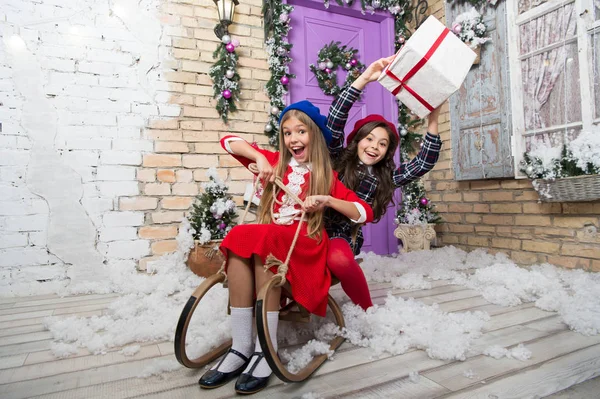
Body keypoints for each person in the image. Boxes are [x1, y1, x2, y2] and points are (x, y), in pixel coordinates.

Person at [199, 100, 374, 395]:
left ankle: (266, 349)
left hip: (304, 246)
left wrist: (328, 200)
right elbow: (228, 141)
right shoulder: (276, 162)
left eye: (301, 131)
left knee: (264, 238)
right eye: (287, 133)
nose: (293, 139)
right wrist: (260, 158)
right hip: (276, 241)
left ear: (314, 136)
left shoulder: (325, 175)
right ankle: (242, 347)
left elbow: (363, 211)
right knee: (244, 235)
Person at [325, 57, 443, 310]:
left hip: (342, 237)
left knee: (340, 260)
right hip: (309, 227)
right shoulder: (335, 159)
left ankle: (367, 310)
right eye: (369, 139)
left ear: (387, 152)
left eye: (382, 144)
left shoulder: (383, 178)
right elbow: (335, 120)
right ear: (357, 140)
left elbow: (423, 163)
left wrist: (433, 119)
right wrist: (365, 78)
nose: (374, 147)